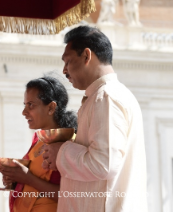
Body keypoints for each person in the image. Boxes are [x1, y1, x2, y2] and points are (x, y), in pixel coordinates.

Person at [42, 25, 148, 212]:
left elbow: (102, 164)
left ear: (86, 56)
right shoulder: (105, 96)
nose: (64, 70)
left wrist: (61, 152)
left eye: (67, 61)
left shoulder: (106, 98)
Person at [0, 76, 77, 212]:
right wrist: (15, 179)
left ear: (51, 108)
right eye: (25, 105)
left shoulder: (68, 142)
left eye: (31, 105)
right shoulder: (38, 140)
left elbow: (72, 195)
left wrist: (27, 178)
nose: (24, 112)